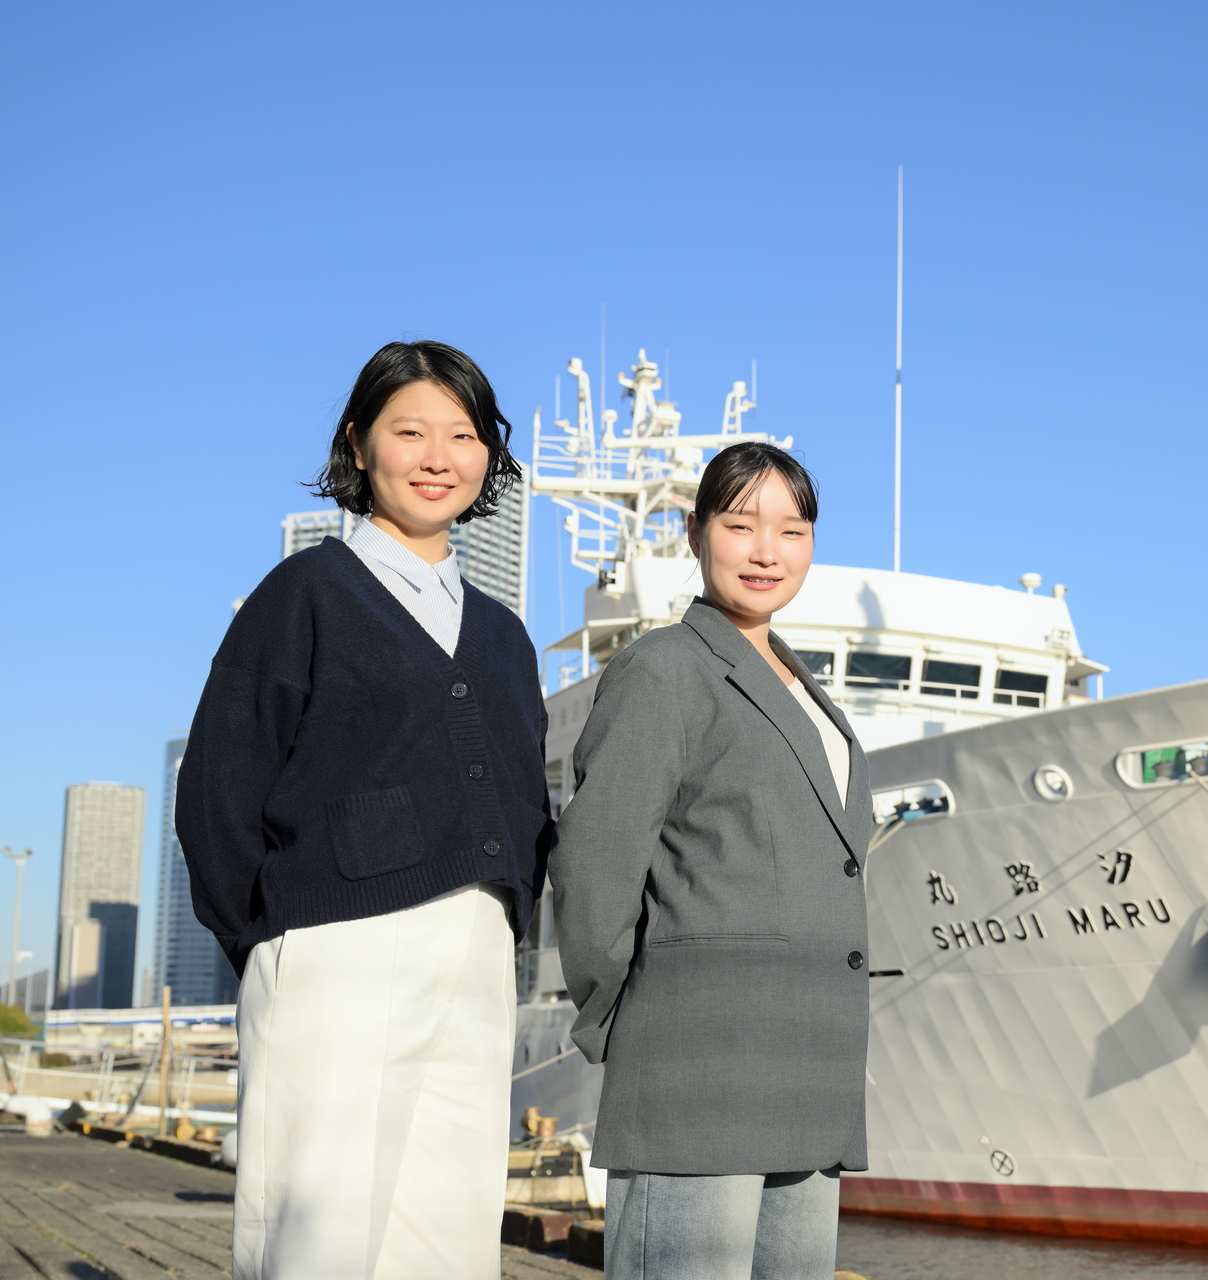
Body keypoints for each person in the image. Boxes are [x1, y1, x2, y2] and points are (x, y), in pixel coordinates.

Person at [176, 340, 552, 1279]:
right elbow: (219, 789)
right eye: (409, 430)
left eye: (463, 435)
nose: (437, 457)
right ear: (358, 444)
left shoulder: (504, 637)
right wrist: (270, 941)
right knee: (319, 1245)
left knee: (449, 1243)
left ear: (488, 457)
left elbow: (524, 799)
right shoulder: (303, 594)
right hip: (335, 950)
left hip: (474, 956)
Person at [550, 441, 871, 1280]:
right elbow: (593, 867)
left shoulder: (805, 689)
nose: (767, 551)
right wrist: (628, 1017)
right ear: (694, 534)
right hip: (696, 1065)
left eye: (792, 530)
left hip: (810, 1071)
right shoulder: (664, 671)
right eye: (740, 525)